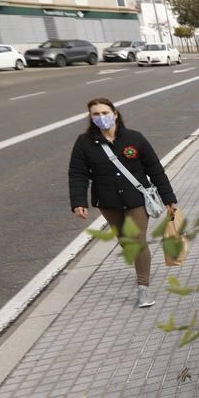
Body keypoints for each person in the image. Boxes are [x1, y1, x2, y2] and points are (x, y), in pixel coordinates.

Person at [68, 97, 177, 307]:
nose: (101, 117)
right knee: (127, 243)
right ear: (91, 118)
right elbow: (77, 173)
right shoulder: (84, 143)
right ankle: (140, 266)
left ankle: (143, 288)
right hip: (107, 201)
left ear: (115, 113)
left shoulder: (134, 138)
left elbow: (154, 169)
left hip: (136, 199)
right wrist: (78, 201)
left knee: (136, 241)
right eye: (96, 114)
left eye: (105, 113)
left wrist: (168, 198)